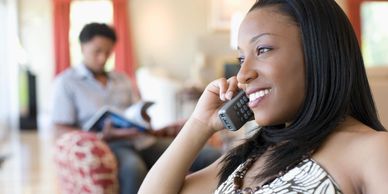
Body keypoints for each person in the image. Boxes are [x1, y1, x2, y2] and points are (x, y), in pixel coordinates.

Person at [138, 0, 388, 193]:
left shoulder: (373, 150)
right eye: (241, 59)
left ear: (319, 53)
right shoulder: (248, 156)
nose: (243, 74)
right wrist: (199, 125)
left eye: (263, 49)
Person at [51, 23, 221, 194]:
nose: (103, 58)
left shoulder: (121, 79)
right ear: (82, 47)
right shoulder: (67, 82)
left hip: (142, 140)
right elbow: (60, 129)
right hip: (110, 144)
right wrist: (101, 135)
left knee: (212, 156)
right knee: (134, 169)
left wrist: (144, 118)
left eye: (108, 52)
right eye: (97, 51)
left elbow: (137, 109)